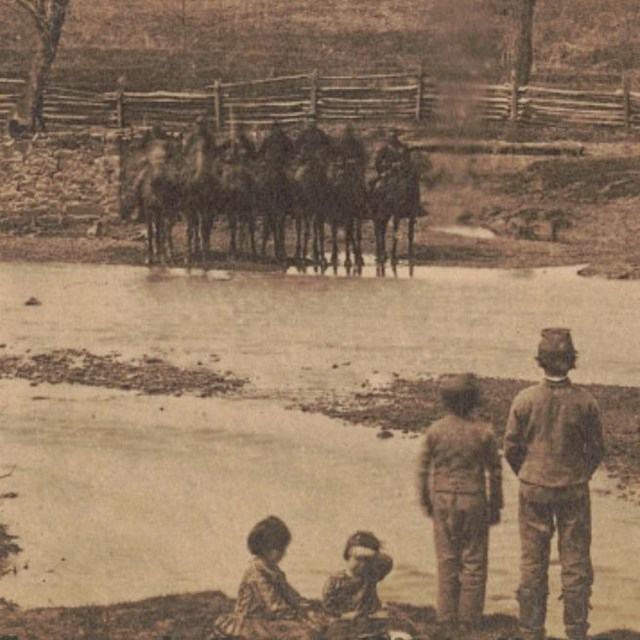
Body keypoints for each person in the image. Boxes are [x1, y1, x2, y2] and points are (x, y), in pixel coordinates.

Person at [504, 328, 605, 640]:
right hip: (573, 486)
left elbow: (511, 448)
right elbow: (596, 450)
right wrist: (579, 474)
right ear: (571, 362)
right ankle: (576, 630)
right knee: (575, 561)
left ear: (540, 362)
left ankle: (531, 630)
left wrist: (529, 473)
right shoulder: (585, 402)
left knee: (533, 561)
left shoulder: (525, 399)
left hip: (533, 486)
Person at [419, 373, 503, 631]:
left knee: (447, 560)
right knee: (474, 562)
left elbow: (423, 468)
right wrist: (496, 504)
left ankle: (446, 618)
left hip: (443, 498)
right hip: (473, 498)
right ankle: (469, 621)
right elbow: (495, 471)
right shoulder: (483, 431)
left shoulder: (435, 430)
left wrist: (426, 499)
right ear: (474, 401)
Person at [212, 516, 323, 640]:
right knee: (301, 634)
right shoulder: (255, 571)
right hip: (250, 623)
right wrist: (299, 617)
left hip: (268, 621)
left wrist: (308, 611)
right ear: (264, 547)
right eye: (279, 548)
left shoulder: (274, 570)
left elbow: (291, 595)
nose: (283, 553)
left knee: (310, 630)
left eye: (284, 548)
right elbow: (274, 604)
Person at [323, 531, 415, 640]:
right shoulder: (336, 580)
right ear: (347, 555)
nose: (362, 564)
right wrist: (343, 615)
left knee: (401, 628)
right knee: (338, 634)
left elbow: (387, 561)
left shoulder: (371, 574)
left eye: (367, 560)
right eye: (358, 558)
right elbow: (328, 605)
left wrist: (373, 551)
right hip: (347, 620)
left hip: (372, 618)